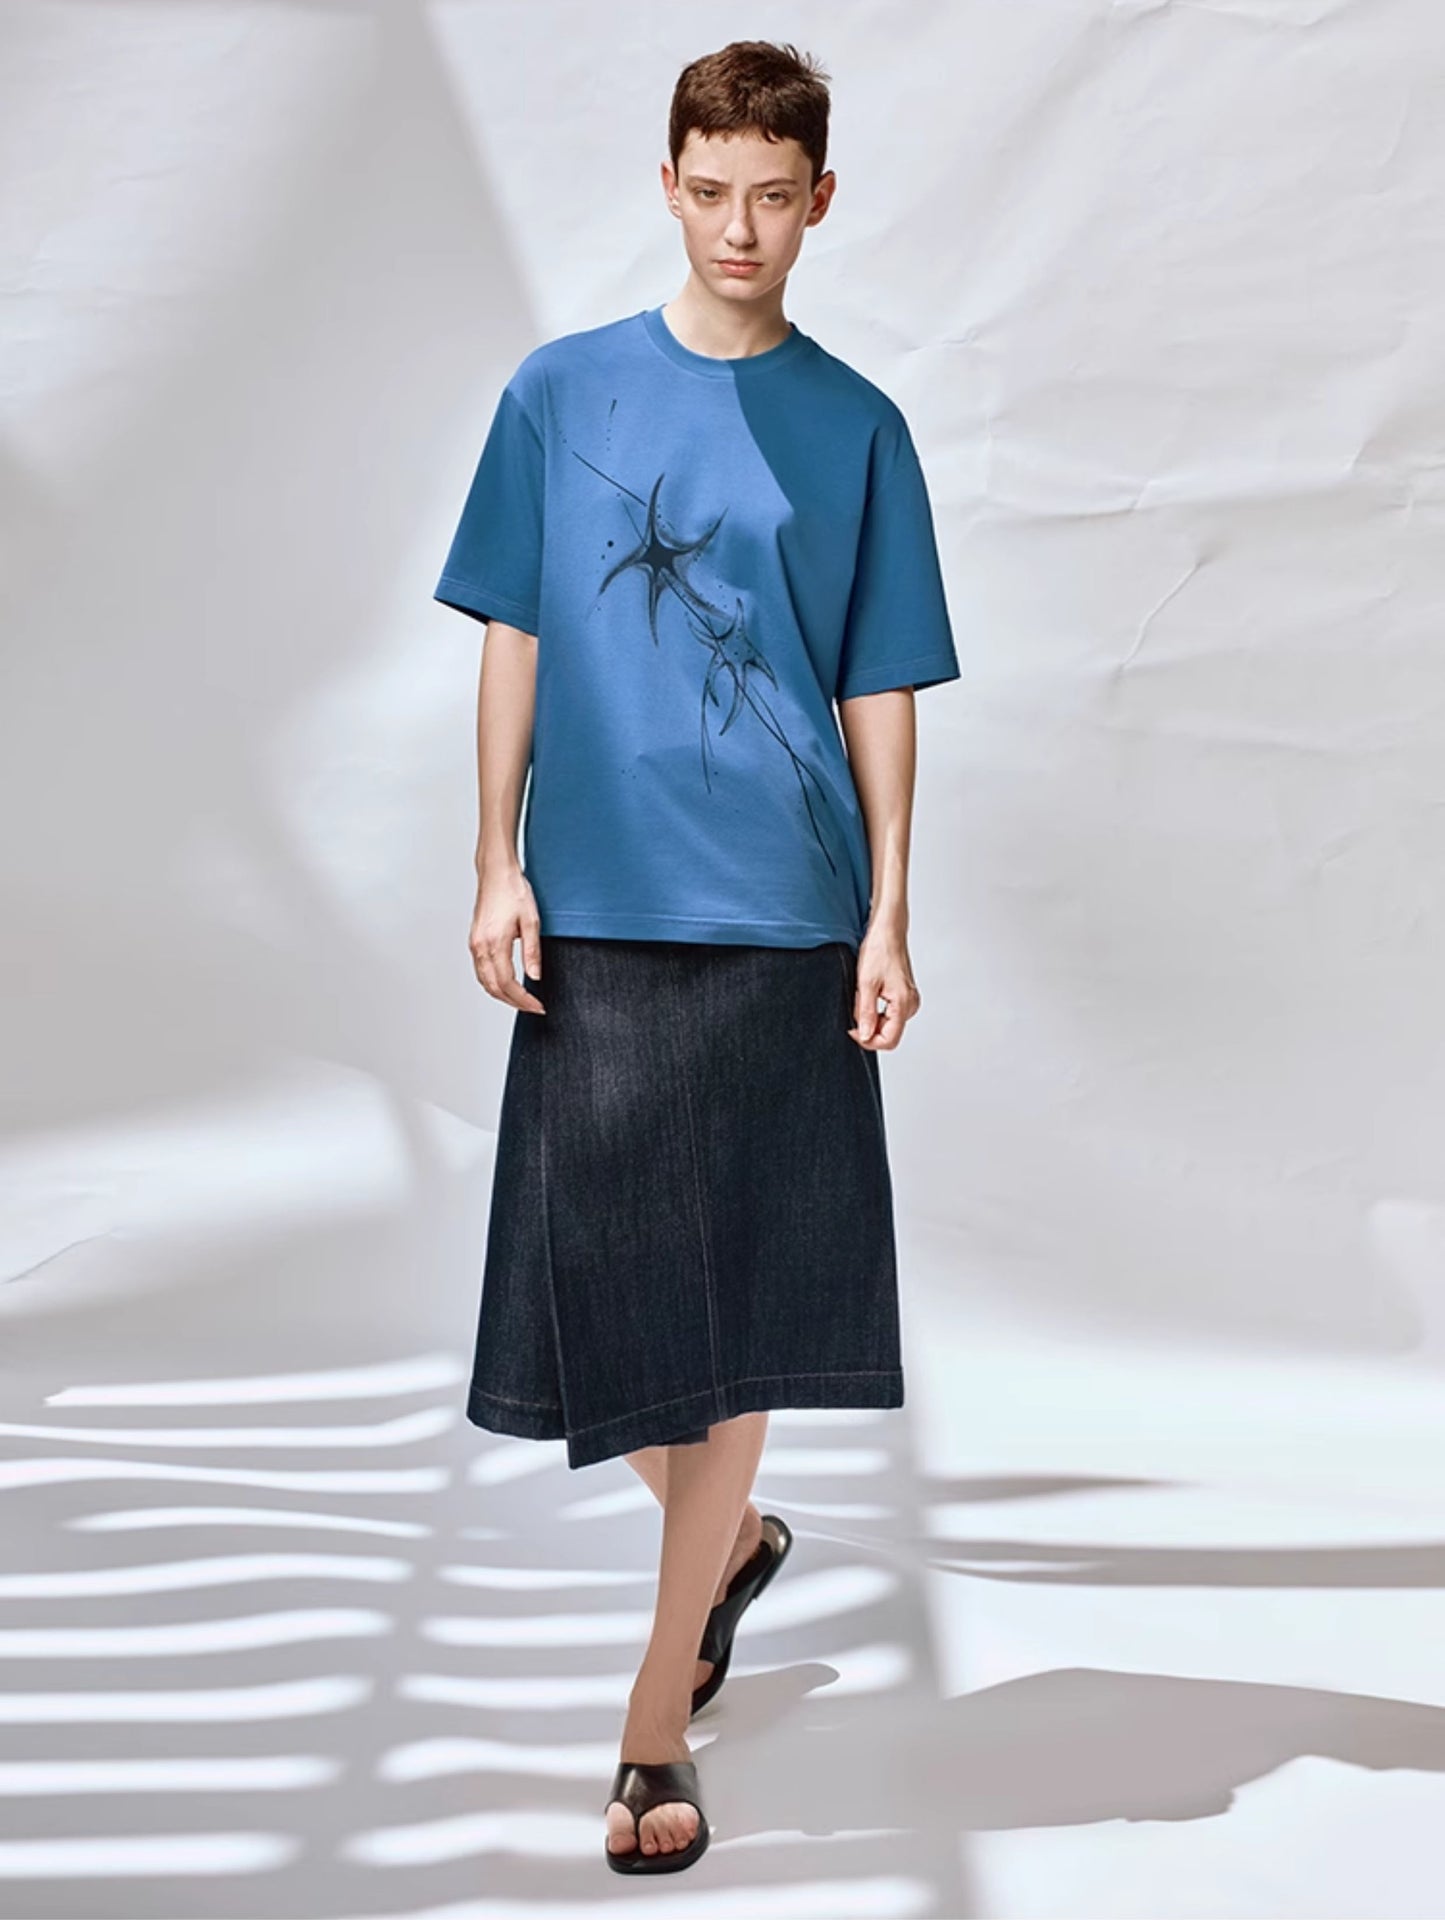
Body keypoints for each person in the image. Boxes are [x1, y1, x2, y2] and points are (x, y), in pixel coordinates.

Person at [433, 37, 959, 1878]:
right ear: (669, 185)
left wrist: (887, 910)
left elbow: (877, 682)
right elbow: (510, 631)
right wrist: (492, 861)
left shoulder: (857, 426)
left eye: (774, 198)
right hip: (594, 903)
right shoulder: (559, 393)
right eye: (711, 191)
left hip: (780, 916)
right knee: (607, 1311)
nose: (741, 227)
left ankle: (654, 1722)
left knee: (730, 1332)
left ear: (820, 201)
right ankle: (726, 1543)